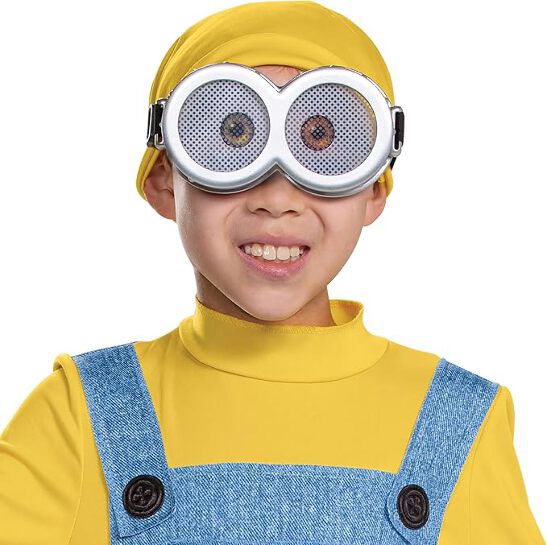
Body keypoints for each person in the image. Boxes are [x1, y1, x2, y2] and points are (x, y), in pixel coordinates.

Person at [0, 1, 544, 544]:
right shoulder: (80, 414)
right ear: (164, 179)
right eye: (233, 134)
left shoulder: (460, 422)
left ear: (375, 188)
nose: (277, 198)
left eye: (321, 140)